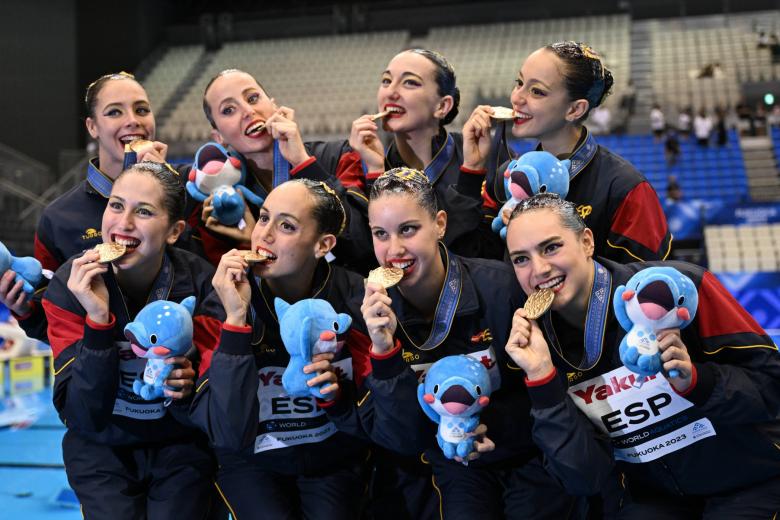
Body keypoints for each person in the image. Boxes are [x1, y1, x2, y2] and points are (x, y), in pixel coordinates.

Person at [324, 169, 589, 520]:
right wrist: (384, 350)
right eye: (380, 234)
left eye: (408, 229)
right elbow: (398, 438)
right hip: (449, 465)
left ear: (440, 224)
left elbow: (555, 391)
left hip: (529, 454)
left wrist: (491, 426)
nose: (394, 250)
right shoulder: (367, 312)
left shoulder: (501, 287)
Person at [504, 193, 780, 517]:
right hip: (651, 499)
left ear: (587, 241)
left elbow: (772, 386)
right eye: (521, 259)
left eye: (551, 247)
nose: (539, 268)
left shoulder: (675, 289)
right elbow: (584, 477)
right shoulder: (534, 345)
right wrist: (542, 379)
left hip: (750, 482)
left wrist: (699, 382)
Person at [42, 162, 217, 519]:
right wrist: (98, 321)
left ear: (174, 231)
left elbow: (219, 410)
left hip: (181, 446)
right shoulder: (71, 285)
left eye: (144, 212)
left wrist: (190, 386)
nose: (123, 224)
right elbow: (82, 416)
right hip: (101, 448)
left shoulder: (201, 284)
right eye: (116, 205)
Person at [189, 179, 371, 519]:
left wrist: (339, 399)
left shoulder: (354, 299)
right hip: (250, 462)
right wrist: (236, 321)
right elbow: (227, 431)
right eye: (263, 218)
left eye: (286, 225)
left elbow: (382, 424)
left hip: (333, 459)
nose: (264, 236)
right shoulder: (222, 300)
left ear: (323, 244)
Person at [1, 72, 186, 342]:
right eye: (114, 112)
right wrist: (25, 310)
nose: (133, 120)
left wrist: (164, 184)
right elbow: (55, 325)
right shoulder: (59, 218)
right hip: (102, 372)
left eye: (141, 109)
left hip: (181, 372)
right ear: (92, 127)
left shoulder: (185, 191)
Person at [465, 41, 671, 264]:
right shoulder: (509, 176)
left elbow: (646, 286)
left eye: (537, 91)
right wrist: (471, 169)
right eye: (519, 83)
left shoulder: (625, 188)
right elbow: (473, 260)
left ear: (574, 109)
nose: (516, 98)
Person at [197, 68, 371, 272]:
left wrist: (303, 163)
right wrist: (253, 241)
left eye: (253, 98)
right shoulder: (225, 204)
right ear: (219, 137)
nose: (248, 111)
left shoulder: (337, 155)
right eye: (228, 110)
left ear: (274, 106)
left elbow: (362, 244)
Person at [347, 49, 507, 260]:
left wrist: (471, 172)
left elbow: (484, 255)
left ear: (442, 106)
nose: (391, 92)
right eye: (386, 81)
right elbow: (365, 260)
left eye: (410, 83)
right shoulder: (363, 166)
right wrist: (377, 175)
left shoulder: (484, 155)